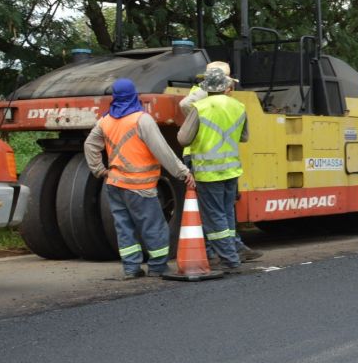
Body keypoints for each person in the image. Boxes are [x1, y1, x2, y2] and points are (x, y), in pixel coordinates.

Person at [85, 78, 195, 279]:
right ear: (134, 96)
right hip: (140, 186)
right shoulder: (142, 120)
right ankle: (158, 266)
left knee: (124, 228)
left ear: (115, 98)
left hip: (115, 185)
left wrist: (99, 170)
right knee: (154, 226)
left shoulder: (105, 120)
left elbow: (90, 145)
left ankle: (131, 268)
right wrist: (183, 173)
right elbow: (162, 151)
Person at [180, 62, 264, 263]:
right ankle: (232, 251)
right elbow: (244, 137)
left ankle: (229, 258)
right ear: (226, 86)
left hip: (208, 170)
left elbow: (183, 139)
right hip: (231, 169)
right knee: (227, 213)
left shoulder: (200, 107)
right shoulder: (239, 106)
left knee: (214, 215)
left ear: (206, 86)